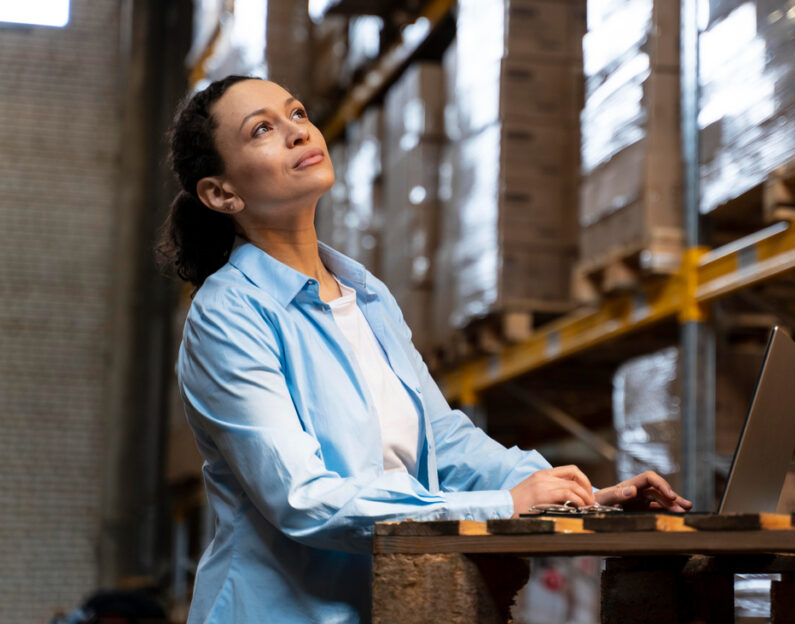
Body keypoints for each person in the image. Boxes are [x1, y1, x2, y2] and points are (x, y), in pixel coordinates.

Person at [156, 75, 692, 623]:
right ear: (221, 194)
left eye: (297, 113)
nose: (298, 132)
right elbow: (302, 499)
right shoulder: (229, 314)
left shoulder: (366, 296)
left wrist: (575, 496)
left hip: (387, 605)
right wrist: (504, 505)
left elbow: (444, 441)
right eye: (262, 130)